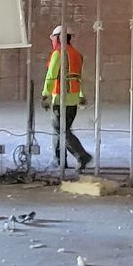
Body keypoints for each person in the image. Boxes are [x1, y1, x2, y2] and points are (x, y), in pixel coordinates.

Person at [41, 25, 92, 172]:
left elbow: (51, 76)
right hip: (74, 98)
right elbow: (78, 78)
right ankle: (59, 160)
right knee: (61, 130)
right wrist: (81, 95)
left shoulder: (58, 54)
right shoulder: (77, 54)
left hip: (60, 98)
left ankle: (82, 155)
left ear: (58, 38)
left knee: (61, 130)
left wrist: (45, 94)